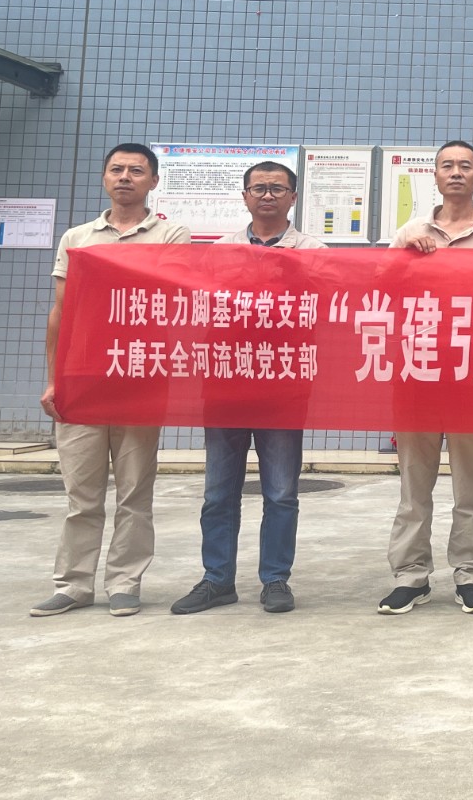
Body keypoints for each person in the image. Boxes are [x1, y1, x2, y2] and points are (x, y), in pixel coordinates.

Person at [30, 143, 192, 617]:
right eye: (116, 169)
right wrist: (54, 379)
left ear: (153, 181)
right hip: (82, 379)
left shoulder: (171, 234)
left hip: (140, 376)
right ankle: (74, 585)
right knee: (81, 494)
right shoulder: (77, 237)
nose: (125, 177)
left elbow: (168, 296)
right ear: (104, 177)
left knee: (135, 491)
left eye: (136, 171)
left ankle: (125, 582)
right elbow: (62, 311)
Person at [170, 161, 326, 617]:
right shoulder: (220, 251)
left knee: (280, 492)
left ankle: (275, 578)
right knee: (219, 491)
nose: (268, 195)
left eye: (278, 188)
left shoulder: (315, 251)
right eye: (259, 188)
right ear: (244, 196)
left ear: (293, 197)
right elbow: (200, 306)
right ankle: (216, 579)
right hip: (226, 382)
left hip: (284, 383)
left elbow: (329, 305)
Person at [378, 140, 473, 616]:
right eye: (447, 165)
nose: (456, 172)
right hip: (416, 369)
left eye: (465, 166)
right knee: (413, 483)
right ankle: (410, 576)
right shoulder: (410, 231)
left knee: (470, 484)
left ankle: (472, 573)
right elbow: (380, 288)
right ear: (434, 176)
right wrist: (405, 257)